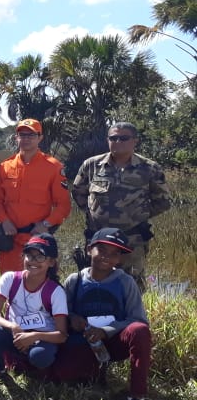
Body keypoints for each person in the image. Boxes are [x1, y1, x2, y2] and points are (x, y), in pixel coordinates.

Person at [62, 228, 153, 400]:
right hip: (84, 342)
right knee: (69, 376)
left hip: (114, 342)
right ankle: (94, 373)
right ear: (89, 249)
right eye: (101, 250)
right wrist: (72, 318)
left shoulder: (125, 282)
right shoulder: (74, 280)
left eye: (114, 254)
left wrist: (105, 331)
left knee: (140, 331)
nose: (106, 257)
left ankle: (137, 397)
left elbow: (138, 319)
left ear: (119, 259)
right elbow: (61, 313)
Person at [72, 122, 170, 290]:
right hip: (98, 240)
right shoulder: (92, 165)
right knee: (93, 286)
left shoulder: (150, 168)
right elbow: (78, 192)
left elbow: (163, 202)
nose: (118, 142)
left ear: (135, 141)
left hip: (131, 241)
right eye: (113, 138)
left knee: (131, 287)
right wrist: (93, 214)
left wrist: (137, 215)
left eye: (124, 138)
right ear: (107, 140)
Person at [0, 234, 69, 381]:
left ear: (51, 262)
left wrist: (34, 336)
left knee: (40, 356)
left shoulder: (55, 291)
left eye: (40, 257)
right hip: (15, 335)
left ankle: (38, 371)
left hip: (42, 339)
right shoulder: (10, 279)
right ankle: (0, 370)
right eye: (29, 255)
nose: (33, 261)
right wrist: (12, 326)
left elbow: (62, 335)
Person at [0, 119, 71, 274]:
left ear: (40, 138)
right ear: (16, 137)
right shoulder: (5, 167)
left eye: (31, 135)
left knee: (38, 281)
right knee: (10, 281)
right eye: (22, 135)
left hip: (37, 239)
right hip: (10, 239)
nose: (26, 138)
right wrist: (5, 221)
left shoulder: (53, 167)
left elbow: (63, 206)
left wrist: (46, 224)